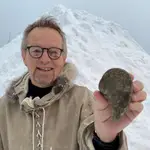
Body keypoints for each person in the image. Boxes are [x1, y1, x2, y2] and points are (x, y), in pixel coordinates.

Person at [0, 16, 146, 150]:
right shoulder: (4, 108)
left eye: (54, 52)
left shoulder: (84, 101)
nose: (45, 59)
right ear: (24, 56)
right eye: (36, 51)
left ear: (63, 58)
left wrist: (106, 140)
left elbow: (91, 137)